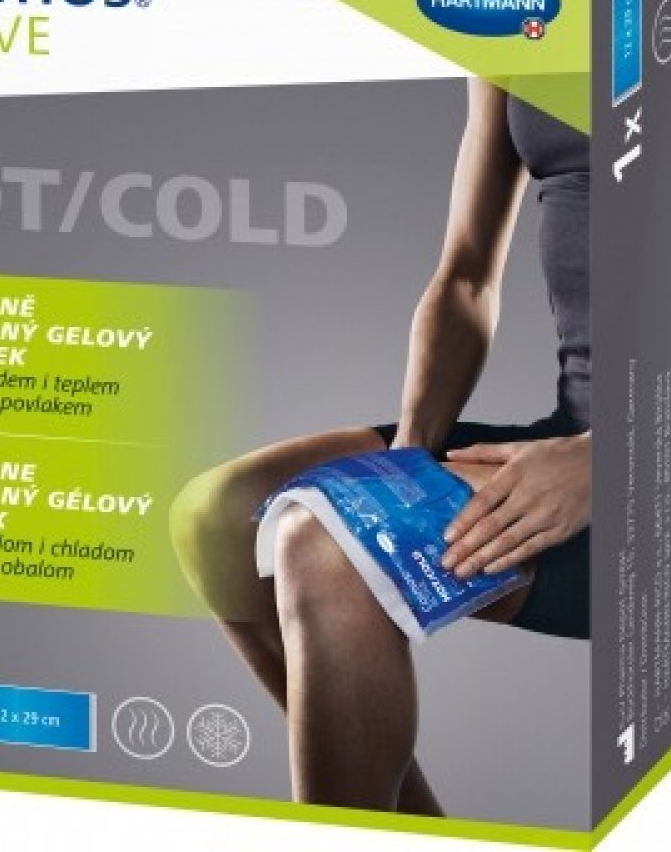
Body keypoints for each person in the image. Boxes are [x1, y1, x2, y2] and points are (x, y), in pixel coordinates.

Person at [170, 78, 591, 815]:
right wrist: (408, 457)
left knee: (328, 544)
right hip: (572, 434)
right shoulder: (520, 22)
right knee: (221, 516)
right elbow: (466, 276)